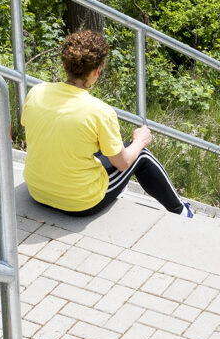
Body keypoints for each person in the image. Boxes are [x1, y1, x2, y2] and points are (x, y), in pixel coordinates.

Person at [22, 30, 192, 218]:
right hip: (80, 203)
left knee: (90, 144)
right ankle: (181, 211)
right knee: (141, 155)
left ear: (64, 64)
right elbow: (122, 163)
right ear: (96, 72)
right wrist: (140, 141)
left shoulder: (37, 92)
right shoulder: (100, 111)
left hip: (36, 191)